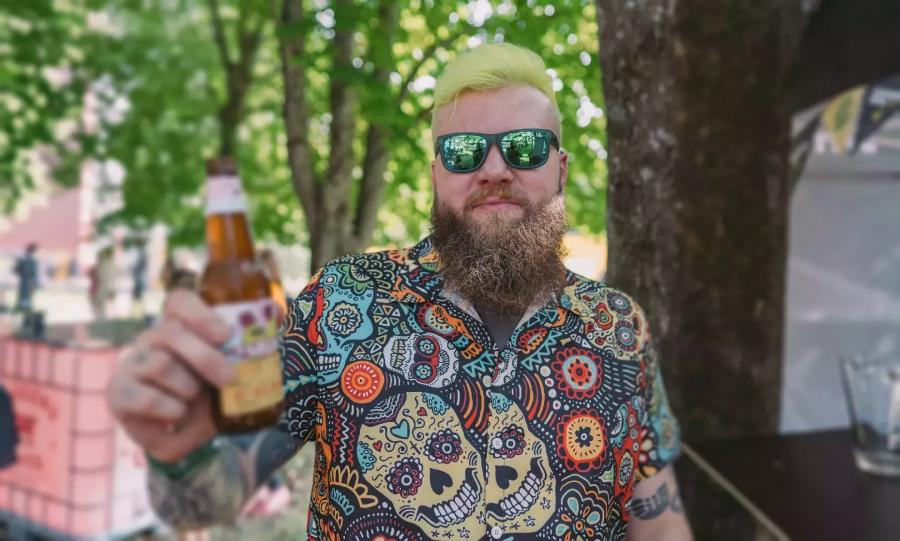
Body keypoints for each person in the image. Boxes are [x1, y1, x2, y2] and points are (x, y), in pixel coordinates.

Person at [106, 43, 692, 540]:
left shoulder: (619, 328)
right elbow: (207, 499)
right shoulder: (340, 301)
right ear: (437, 176)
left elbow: (660, 523)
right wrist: (176, 455)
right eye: (464, 151)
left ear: (560, 168)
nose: (494, 169)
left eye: (525, 147)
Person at [13, 243, 39, 313]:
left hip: (26, 280)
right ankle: (24, 306)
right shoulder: (28, 260)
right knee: (25, 294)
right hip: (26, 280)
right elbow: (16, 269)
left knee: (25, 294)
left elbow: (16, 269)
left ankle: (23, 306)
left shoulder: (26, 259)